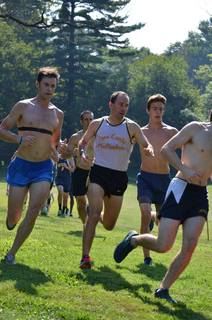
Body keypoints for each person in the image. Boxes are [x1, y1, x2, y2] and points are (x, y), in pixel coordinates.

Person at [114, 110, 212, 303]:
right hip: (181, 188)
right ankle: (134, 240)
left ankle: (163, 289)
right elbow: (166, 149)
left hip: (200, 195)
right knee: (163, 245)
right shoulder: (195, 128)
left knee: (190, 246)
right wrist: (184, 169)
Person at [77, 91, 154, 269]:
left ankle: (101, 217)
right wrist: (82, 154)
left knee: (109, 225)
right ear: (111, 104)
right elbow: (83, 141)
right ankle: (85, 257)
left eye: (126, 105)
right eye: (120, 104)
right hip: (98, 172)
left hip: (118, 177)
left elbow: (146, 143)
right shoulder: (97, 124)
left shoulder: (132, 127)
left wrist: (148, 149)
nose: (123, 108)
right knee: (94, 215)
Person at [0, 67, 63, 264]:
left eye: (53, 86)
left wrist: (59, 151)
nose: (50, 89)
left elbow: (55, 142)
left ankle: (12, 253)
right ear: (38, 84)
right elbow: (2, 129)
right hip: (21, 165)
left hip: (43, 168)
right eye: (46, 85)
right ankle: (16, 211)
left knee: (35, 210)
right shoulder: (23, 106)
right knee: (12, 220)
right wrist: (18, 139)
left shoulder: (58, 114)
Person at [137, 94, 178, 265]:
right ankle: (147, 257)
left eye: (161, 109)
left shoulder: (172, 132)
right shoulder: (140, 131)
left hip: (164, 180)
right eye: (154, 108)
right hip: (145, 177)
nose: (158, 111)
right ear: (148, 110)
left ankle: (156, 216)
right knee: (145, 214)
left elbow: (186, 151)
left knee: (164, 223)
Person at [66, 110, 94, 226]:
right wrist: (72, 153)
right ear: (81, 121)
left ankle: (91, 223)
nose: (89, 122)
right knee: (81, 202)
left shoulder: (99, 136)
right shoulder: (75, 137)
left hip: (94, 171)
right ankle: (86, 225)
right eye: (86, 119)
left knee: (94, 202)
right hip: (79, 172)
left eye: (91, 119)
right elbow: (66, 154)